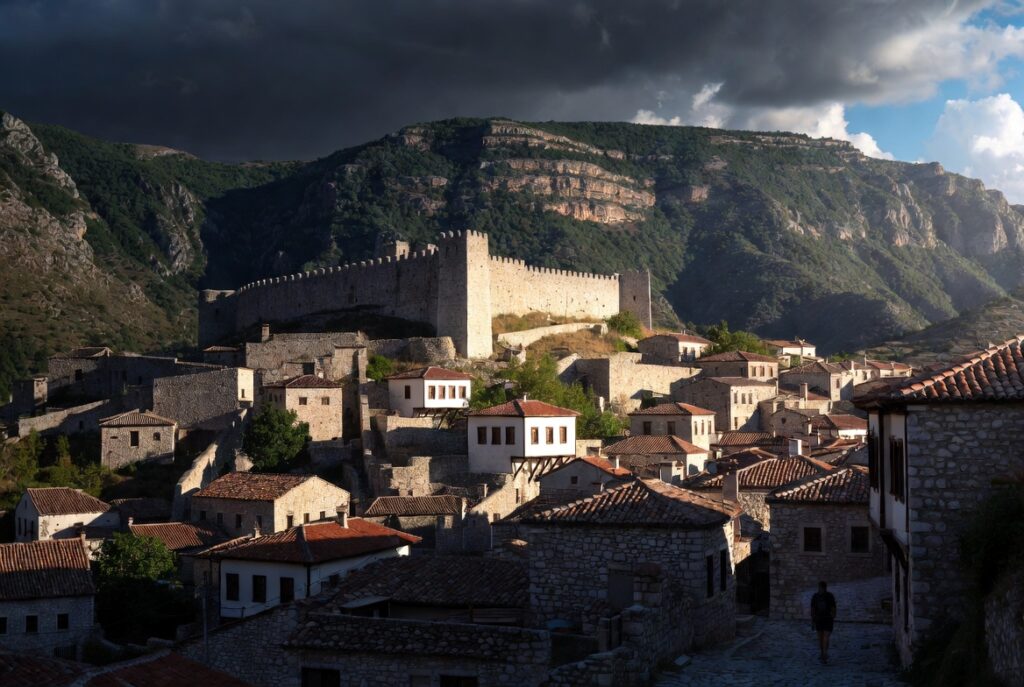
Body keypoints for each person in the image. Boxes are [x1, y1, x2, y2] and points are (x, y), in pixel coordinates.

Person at [810, 581, 837, 664]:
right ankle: (824, 653)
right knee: (824, 637)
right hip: (826, 619)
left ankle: (823, 653)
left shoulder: (816, 596)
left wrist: (813, 620)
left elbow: (813, 609)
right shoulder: (829, 596)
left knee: (822, 637)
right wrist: (833, 615)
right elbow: (833, 607)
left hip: (820, 619)